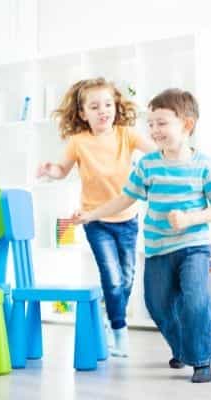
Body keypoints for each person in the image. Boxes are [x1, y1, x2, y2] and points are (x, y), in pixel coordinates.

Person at [73, 88, 211, 383]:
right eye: (151, 124)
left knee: (196, 300)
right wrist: (91, 214)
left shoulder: (203, 164)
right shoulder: (147, 164)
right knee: (156, 304)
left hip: (194, 246)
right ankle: (182, 346)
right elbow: (125, 199)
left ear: (187, 125)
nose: (154, 130)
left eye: (162, 123)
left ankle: (202, 359)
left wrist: (190, 218)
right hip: (157, 249)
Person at [37, 78, 156, 357]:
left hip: (127, 217)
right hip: (95, 220)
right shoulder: (79, 142)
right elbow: (62, 171)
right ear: (82, 113)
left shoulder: (127, 135)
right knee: (112, 277)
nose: (103, 111)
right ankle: (119, 332)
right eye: (94, 106)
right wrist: (49, 169)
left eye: (108, 104)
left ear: (115, 106)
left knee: (126, 277)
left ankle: (109, 312)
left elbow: (157, 153)